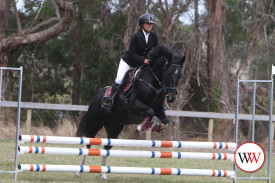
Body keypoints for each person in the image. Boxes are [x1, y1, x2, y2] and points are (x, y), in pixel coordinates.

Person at [102, 13, 158, 112]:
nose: (150, 25)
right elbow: (131, 53)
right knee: (119, 79)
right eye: (147, 23)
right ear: (142, 24)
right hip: (128, 61)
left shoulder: (153, 36)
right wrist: (143, 60)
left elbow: (156, 49)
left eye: (151, 24)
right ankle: (109, 100)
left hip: (140, 63)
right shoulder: (136, 36)